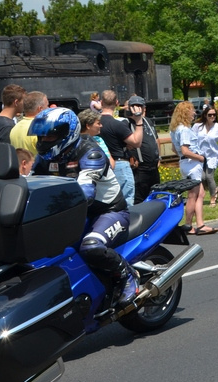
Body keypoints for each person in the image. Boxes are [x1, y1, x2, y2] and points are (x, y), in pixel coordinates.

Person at [28, 108, 141, 307]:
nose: (45, 139)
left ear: (67, 133)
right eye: (42, 135)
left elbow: (85, 193)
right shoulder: (45, 158)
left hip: (108, 211)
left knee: (91, 247)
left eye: (51, 134)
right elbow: (30, 184)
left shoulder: (91, 153)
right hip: (75, 214)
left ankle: (127, 275)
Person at [170, 101, 218, 235]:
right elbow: (185, 150)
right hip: (192, 164)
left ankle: (200, 224)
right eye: (191, 111)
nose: (194, 113)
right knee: (193, 195)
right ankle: (189, 225)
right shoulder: (184, 130)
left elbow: (175, 149)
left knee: (201, 194)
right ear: (185, 113)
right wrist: (200, 157)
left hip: (186, 163)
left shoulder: (175, 129)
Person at [98, 90, 143, 206]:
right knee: (126, 201)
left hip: (101, 165)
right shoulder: (118, 125)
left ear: (101, 102)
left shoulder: (95, 124)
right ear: (117, 103)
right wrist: (139, 121)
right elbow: (136, 142)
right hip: (119, 165)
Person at [124, 96, 161, 203]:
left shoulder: (148, 121)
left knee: (154, 195)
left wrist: (159, 157)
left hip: (153, 167)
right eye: (135, 106)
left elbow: (155, 139)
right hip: (140, 168)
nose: (138, 109)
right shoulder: (126, 123)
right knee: (140, 198)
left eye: (140, 106)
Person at [192, 106, 218, 207]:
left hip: (213, 155)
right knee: (202, 177)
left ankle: (213, 198)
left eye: (214, 115)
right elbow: (191, 138)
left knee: (209, 176)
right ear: (205, 115)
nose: (212, 116)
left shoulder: (217, 127)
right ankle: (215, 189)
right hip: (200, 155)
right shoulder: (197, 126)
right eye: (210, 115)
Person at [9, 90, 48, 155]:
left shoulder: (14, 128)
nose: (49, 108)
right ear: (40, 109)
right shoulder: (40, 129)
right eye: (47, 106)